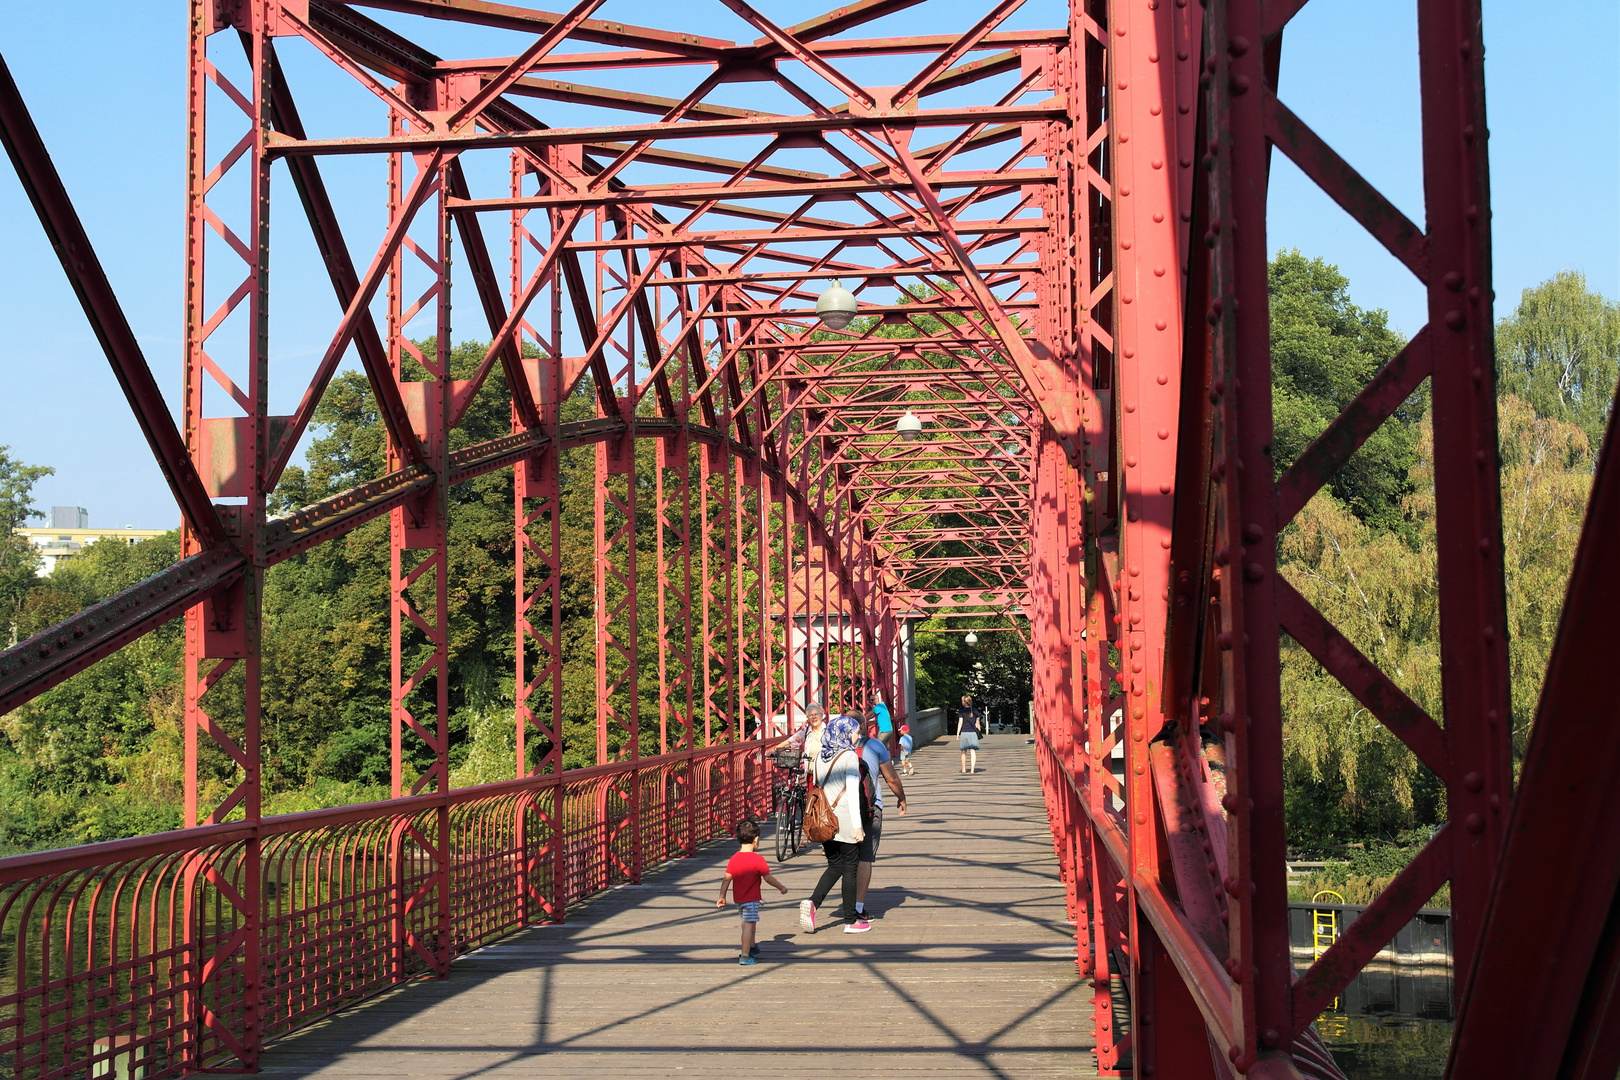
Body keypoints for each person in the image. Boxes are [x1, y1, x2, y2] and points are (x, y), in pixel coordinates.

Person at [798, 714, 870, 935]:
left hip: (824, 819)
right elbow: (851, 793)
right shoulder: (849, 756)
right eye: (856, 731)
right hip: (845, 819)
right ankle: (850, 921)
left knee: (835, 865)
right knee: (850, 868)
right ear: (846, 733)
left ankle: (813, 902)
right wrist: (858, 826)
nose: (858, 735)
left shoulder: (821, 755)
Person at [716, 819, 788, 966]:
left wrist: (722, 896)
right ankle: (745, 955)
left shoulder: (734, 859)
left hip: (739, 899)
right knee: (749, 924)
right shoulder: (757, 859)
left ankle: (752, 946)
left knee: (747, 922)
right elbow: (768, 878)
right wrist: (781, 887)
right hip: (751, 899)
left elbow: (726, 879)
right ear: (756, 840)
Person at [855, 721, 907, 920]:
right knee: (865, 856)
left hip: (840, 810)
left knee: (844, 858)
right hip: (870, 806)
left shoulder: (832, 745)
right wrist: (901, 798)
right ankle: (858, 906)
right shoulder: (875, 745)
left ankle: (817, 900)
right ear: (865, 726)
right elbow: (891, 778)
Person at [956, 694, 982, 774]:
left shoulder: (962, 711)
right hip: (973, 733)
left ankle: (964, 769)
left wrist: (957, 734)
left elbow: (960, 723)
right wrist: (979, 732)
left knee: (963, 751)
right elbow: (978, 723)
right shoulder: (975, 711)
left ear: (964, 702)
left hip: (964, 732)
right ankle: (972, 770)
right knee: (973, 751)